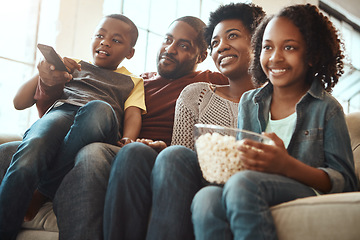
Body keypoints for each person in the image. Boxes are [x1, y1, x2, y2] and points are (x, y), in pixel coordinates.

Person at [39, 16, 228, 240]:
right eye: (167, 39)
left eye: (183, 45)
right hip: (118, 148)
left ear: (202, 55)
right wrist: (49, 82)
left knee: (94, 153)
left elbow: (251, 78)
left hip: (160, 157)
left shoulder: (209, 81)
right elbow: (65, 114)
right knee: (9, 151)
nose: (170, 49)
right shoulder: (134, 82)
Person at [191, 4, 358, 240]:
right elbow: (243, 164)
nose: (275, 57)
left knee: (243, 184)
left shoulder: (327, 109)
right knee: (205, 198)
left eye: (289, 47)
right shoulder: (250, 101)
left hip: (304, 189)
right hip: (250, 185)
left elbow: (347, 181)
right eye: (267, 47)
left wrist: (287, 165)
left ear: (312, 56)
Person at [103, 3, 265, 240]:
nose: (222, 47)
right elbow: (182, 152)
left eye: (232, 36)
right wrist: (163, 148)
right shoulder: (194, 93)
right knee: (134, 152)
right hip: (182, 167)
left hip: (226, 180)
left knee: (171, 155)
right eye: (215, 43)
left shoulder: (272, 97)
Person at [0, 13, 146, 239]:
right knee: (36, 141)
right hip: (63, 111)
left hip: (100, 122)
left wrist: (128, 138)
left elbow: (133, 113)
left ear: (130, 52)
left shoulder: (133, 80)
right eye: (100, 35)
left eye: (116, 40)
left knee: (98, 108)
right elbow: (20, 102)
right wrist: (45, 71)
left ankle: (41, 191)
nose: (105, 42)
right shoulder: (74, 66)